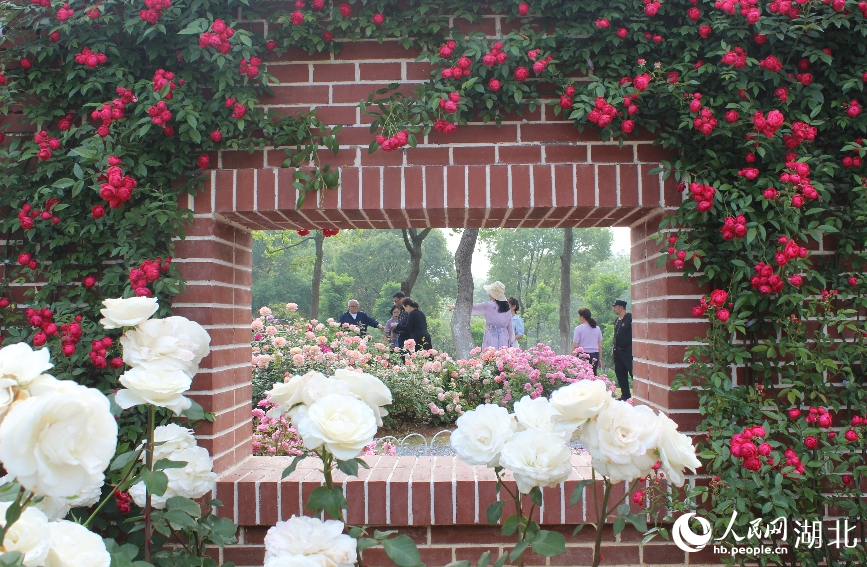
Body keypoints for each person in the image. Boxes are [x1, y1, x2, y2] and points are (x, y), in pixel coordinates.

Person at [449, 281, 514, 349]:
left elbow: (473, 307)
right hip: (504, 338)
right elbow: (510, 327)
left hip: (491, 336)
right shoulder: (507, 308)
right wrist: (511, 341)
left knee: (491, 356)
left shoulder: (488, 306)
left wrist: (455, 307)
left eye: (491, 292)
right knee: (501, 357)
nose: (489, 294)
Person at [611, 299, 633, 400]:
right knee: (620, 372)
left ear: (621, 307)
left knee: (632, 372)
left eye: (615, 306)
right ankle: (625, 395)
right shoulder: (617, 321)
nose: (614, 308)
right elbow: (615, 336)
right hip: (618, 351)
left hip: (628, 351)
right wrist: (613, 348)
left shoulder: (630, 318)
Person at [572, 308, 604, 375]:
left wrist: (570, 356)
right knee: (593, 375)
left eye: (579, 316)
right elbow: (600, 346)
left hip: (582, 355)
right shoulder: (597, 329)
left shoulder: (578, 329)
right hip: (595, 355)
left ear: (582, 317)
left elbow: (575, 345)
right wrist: (600, 359)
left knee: (582, 375)